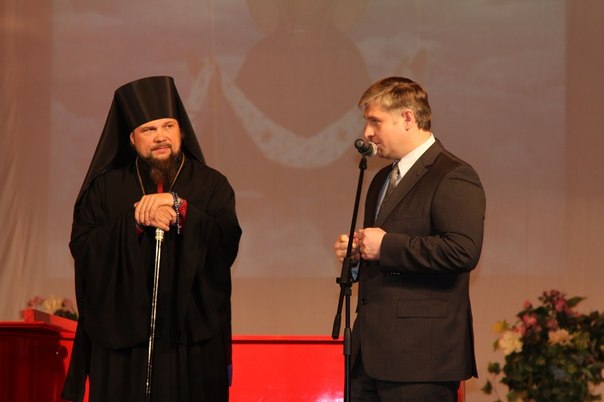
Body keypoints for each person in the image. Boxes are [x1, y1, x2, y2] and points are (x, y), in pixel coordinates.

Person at [62, 76, 242, 402]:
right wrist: (133, 221)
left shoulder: (212, 185)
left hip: (191, 342)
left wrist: (182, 209)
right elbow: (83, 247)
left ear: (181, 131)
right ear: (132, 139)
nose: (161, 136)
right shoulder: (105, 189)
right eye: (149, 129)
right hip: (123, 346)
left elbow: (226, 242)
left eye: (168, 126)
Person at [333, 76, 486, 402]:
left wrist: (385, 246)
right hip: (369, 356)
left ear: (407, 118)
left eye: (375, 121)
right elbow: (381, 254)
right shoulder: (382, 179)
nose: (367, 133)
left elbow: (463, 251)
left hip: (421, 359)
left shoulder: (452, 174)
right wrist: (359, 254)